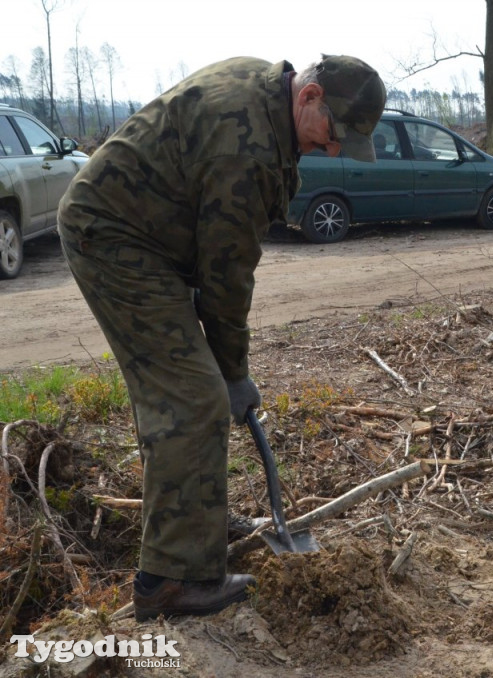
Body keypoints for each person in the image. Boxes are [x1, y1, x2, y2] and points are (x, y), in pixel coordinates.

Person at [58, 54, 386, 622]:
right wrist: (234, 372)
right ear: (308, 97)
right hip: (115, 239)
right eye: (334, 135)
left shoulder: (264, 87)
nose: (334, 150)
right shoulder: (248, 149)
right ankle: (170, 582)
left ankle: (196, 517)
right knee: (195, 397)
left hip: (151, 238)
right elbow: (226, 278)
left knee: (183, 393)